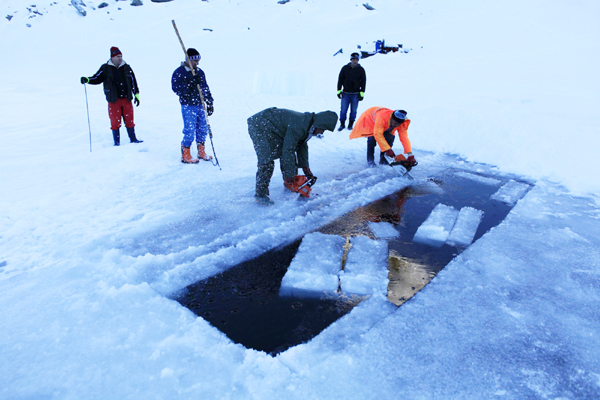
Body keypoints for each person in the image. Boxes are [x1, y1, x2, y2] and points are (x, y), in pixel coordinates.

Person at [247, 107, 338, 205]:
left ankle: (290, 183)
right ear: (319, 124)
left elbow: (301, 145)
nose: (322, 132)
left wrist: (305, 167)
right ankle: (260, 194)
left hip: (273, 127)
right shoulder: (300, 125)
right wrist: (290, 174)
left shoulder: (308, 125)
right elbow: (288, 150)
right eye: (323, 129)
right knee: (267, 161)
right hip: (260, 125)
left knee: (286, 153)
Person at [80, 46, 143, 146]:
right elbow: (97, 78)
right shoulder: (105, 68)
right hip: (113, 100)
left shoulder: (127, 67)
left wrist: (136, 94)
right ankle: (116, 142)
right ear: (112, 57)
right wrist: (87, 80)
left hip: (126, 99)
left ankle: (133, 139)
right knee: (115, 121)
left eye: (121, 56)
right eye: (118, 56)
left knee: (129, 119)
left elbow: (133, 82)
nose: (120, 58)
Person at [171, 48, 214, 164]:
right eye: (195, 61)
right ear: (188, 60)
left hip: (200, 104)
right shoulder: (179, 72)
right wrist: (190, 84)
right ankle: (185, 153)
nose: (197, 63)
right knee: (189, 129)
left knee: (202, 128)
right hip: (188, 105)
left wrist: (209, 101)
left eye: (198, 61)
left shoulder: (199, 72)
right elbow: (176, 89)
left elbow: (205, 87)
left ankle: (201, 151)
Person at [349, 107, 417, 167]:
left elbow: (404, 138)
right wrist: (387, 149)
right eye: (395, 123)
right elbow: (378, 134)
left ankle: (383, 161)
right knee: (371, 140)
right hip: (371, 121)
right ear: (392, 119)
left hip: (386, 125)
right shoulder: (381, 117)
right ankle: (370, 162)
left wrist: (410, 154)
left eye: (398, 124)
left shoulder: (400, 123)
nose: (397, 125)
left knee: (390, 138)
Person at [336, 52, 366, 131]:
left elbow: (363, 82)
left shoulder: (361, 70)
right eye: (353, 59)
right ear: (351, 60)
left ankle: (350, 124)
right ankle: (342, 124)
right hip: (345, 93)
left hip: (355, 94)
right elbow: (340, 80)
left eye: (356, 60)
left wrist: (362, 93)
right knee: (343, 110)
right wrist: (339, 91)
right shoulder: (345, 68)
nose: (355, 61)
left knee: (353, 111)